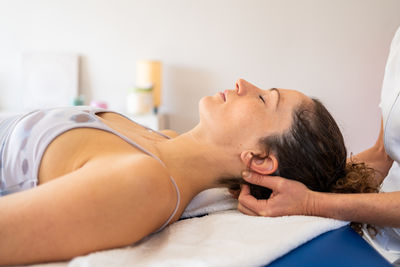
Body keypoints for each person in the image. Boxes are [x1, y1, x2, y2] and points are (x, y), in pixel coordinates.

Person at [0, 78, 376, 266]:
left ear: (260, 160)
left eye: (264, 99)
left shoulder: (145, 184)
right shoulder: (161, 138)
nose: (244, 83)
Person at [237, 26, 400, 264]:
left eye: (264, 98)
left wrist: (312, 202)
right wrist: (312, 182)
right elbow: (383, 152)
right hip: (381, 235)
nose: (241, 83)